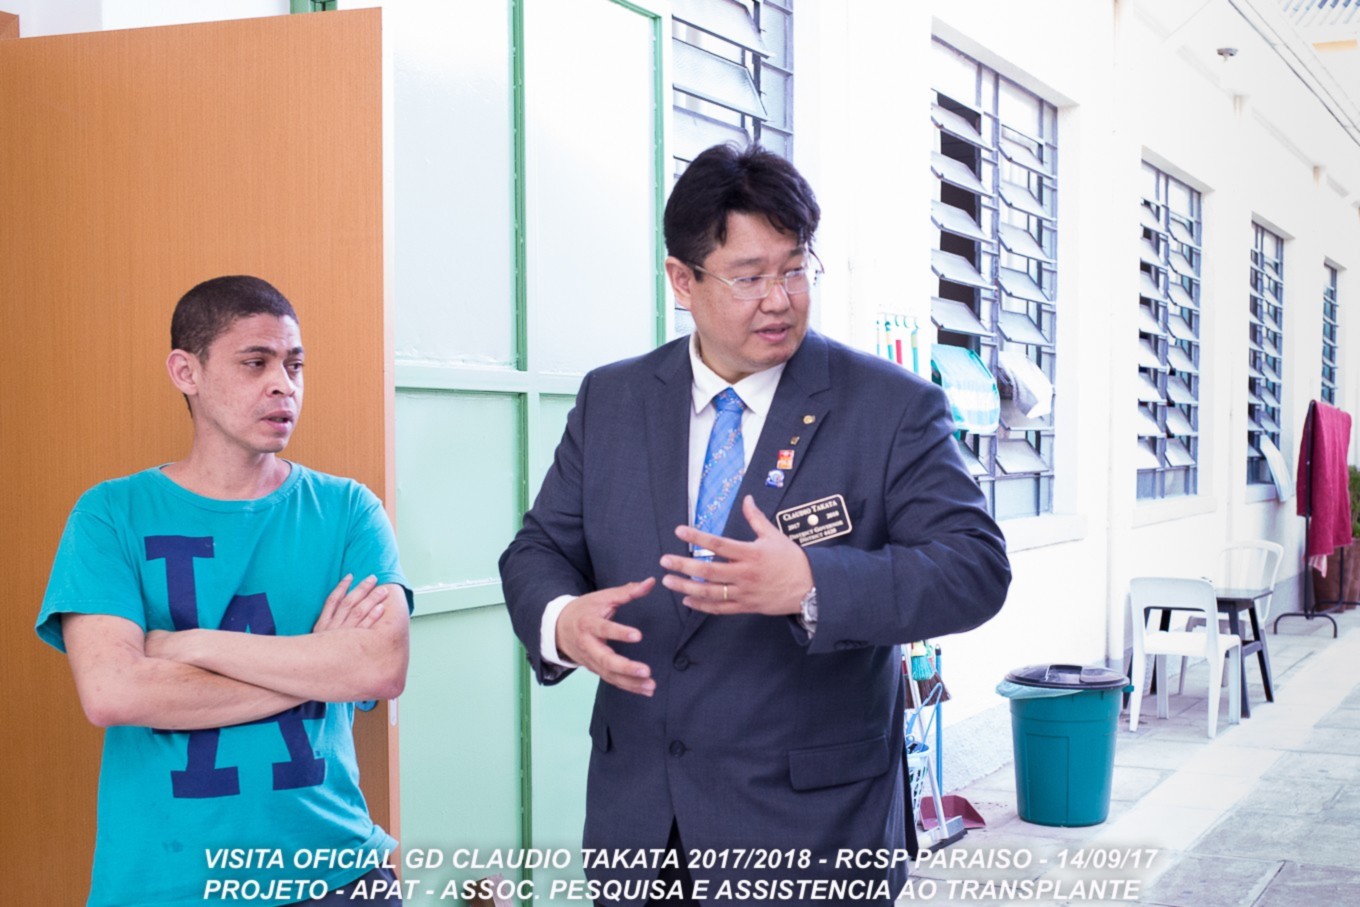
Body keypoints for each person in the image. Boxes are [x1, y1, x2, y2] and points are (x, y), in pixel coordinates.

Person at [499, 144, 1011, 906]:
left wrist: (813, 583)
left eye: (795, 268)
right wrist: (562, 621)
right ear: (682, 279)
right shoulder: (613, 400)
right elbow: (539, 548)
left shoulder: (890, 408)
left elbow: (975, 568)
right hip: (642, 831)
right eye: (749, 276)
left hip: (815, 836)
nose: (780, 299)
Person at [36, 276, 412, 907]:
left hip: (337, 876)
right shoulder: (109, 515)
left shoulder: (349, 510)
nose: (283, 385)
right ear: (186, 372)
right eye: (255, 363)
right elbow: (113, 692)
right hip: (165, 884)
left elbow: (379, 668)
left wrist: (188, 646)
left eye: (294, 365)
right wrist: (318, 667)